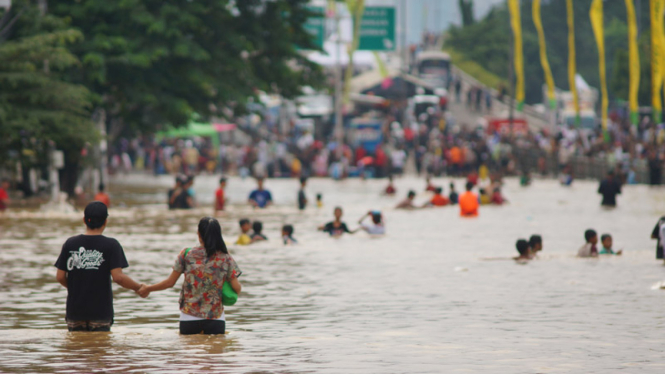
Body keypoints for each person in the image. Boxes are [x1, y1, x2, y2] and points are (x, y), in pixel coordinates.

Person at [138, 217, 241, 335]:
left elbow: (169, 283)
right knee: (214, 352)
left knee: (191, 352)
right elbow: (237, 288)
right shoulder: (226, 258)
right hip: (215, 318)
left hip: (189, 317)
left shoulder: (186, 254)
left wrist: (148, 288)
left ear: (198, 233)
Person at [54, 202, 145, 331]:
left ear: (84, 220)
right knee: (99, 348)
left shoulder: (70, 244)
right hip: (100, 311)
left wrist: (77, 289)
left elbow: (60, 276)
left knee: (75, 348)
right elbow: (118, 277)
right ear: (105, 222)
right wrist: (138, 287)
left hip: (75, 311)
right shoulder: (111, 245)